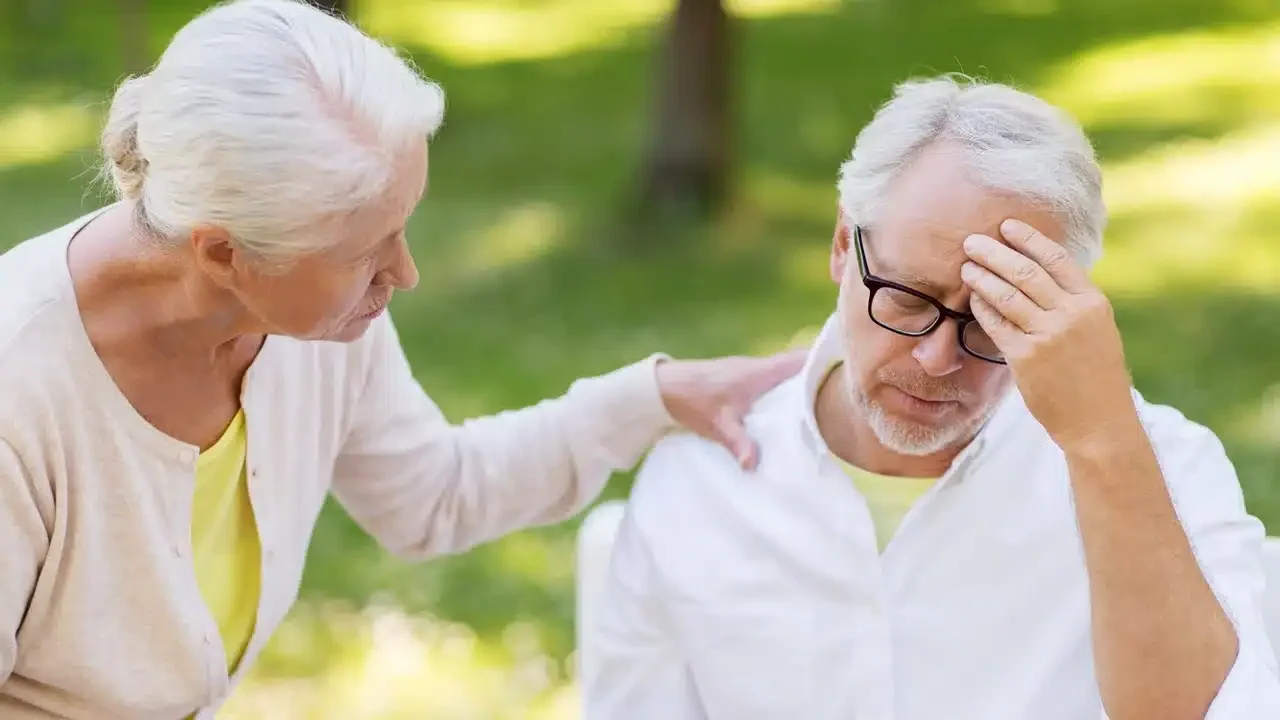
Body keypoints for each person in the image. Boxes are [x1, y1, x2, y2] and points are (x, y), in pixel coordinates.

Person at [0, 1, 805, 717]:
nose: (405, 273)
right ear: (223, 252)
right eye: (365, 250)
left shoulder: (310, 324)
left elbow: (433, 495)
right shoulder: (19, 392)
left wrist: (655, 397)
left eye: (403, 225)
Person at [584, 75, 1280, 719]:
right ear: (840, 245)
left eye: (991, 319)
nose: (936, 358)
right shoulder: (696, 486)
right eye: (908, 298)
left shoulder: (1164, 468)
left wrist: (1101, 443)